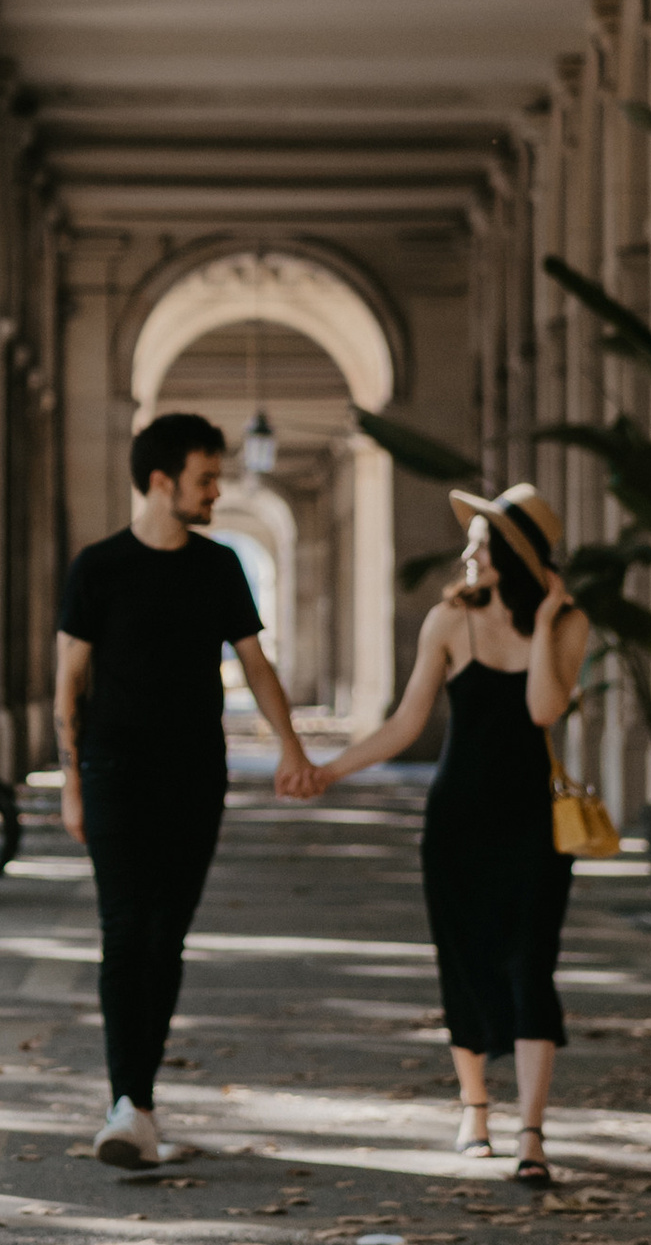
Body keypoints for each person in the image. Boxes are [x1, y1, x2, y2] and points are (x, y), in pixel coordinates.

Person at [56, 410, 324, 1168]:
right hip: (112, 774)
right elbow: (67, 687)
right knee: (123, 933)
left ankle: (136, 1106)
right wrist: (72, 785)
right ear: (162, 480)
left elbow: (258, 664)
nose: (217, 491)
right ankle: (128, 1102)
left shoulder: (217, 567)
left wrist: (291, 747)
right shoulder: (97, 568)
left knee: (164, 938)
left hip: (195, 779)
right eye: (206, 478)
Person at [311, 479, 588, 1185]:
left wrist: (550, 618)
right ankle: (474, 1108)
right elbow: (407, 723)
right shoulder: (447, 622)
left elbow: (541, 712)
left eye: (482, 542)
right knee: (463, 960)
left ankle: (531, 1133)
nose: (467, 550)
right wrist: (330, 770)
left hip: (534, 824)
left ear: (513, 557)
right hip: (457, 820)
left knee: (532, 966)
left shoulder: (569, 623)